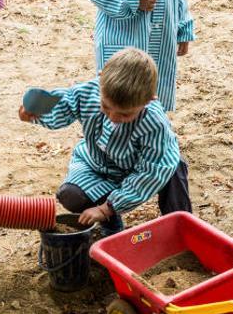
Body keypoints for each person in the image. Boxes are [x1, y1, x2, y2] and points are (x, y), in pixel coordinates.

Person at [18, 48, 192, 235]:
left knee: (172, 171)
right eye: (106, 107)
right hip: (98, 163)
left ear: (150, 100)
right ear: (100, 80)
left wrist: (106, 208)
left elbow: (150, 172)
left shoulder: (154, 123)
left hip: (150, 165)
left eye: (125, 114)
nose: (113, 117)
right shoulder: (88, 92)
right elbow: (64, 103)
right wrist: (36, 114)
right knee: (70, 195)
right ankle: (111, 222)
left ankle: (181, 226)